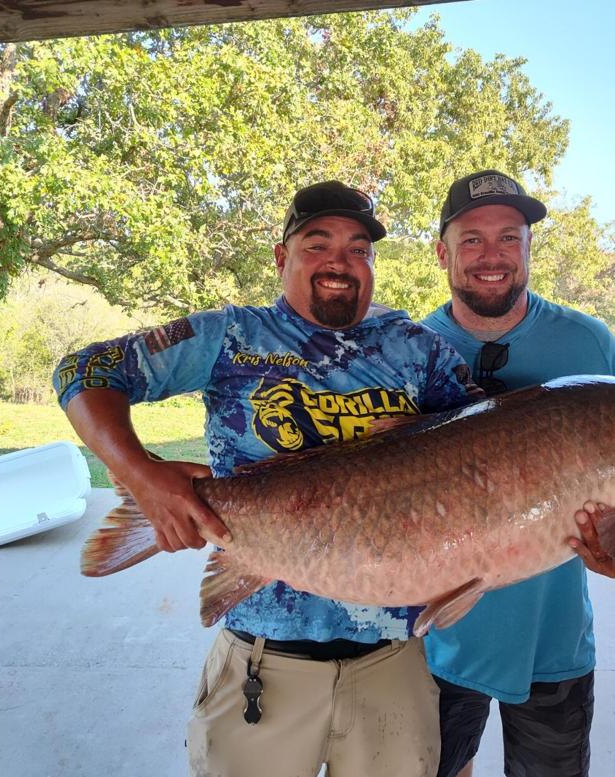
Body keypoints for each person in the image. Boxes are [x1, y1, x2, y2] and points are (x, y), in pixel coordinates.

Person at [52, 180, 479, 777]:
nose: (340, 261)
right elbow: (84, 371)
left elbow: (488, 445)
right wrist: (141, 476)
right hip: (261, 661)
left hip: (393, 661)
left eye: (359, 248)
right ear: (282, 256)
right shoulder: (232, 337)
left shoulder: (416, 349)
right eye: (317, 243)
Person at [421, 169, 615, 777]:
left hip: (552, 638)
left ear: (529, 248)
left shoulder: (590, 346)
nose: (492, 256)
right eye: (472, 239)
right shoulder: (410, 346)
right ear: (442, 252)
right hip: (438, 636)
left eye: (509, 237)